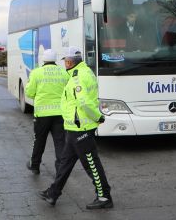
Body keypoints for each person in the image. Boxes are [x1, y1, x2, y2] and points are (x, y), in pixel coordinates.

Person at [38, 47, 113, 209]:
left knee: (91, 164)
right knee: (65, 162)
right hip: (74, 128)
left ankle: (104, 196)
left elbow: (84, 102)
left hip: (82, 128)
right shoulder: (80, 73)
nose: (66, 64)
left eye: (68, 61)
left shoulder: (78, 78)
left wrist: (97, 117)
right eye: (65, 61)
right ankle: (53, 193)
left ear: (74, 62)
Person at [25, 49, 69, 175]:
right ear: (55, 59)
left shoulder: (36, 73)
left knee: (39, 140)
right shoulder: (64, 73)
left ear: (43, 59)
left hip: (42, 115)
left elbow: (29, 92)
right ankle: (61, 169)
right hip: (60, 114)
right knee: (60, 142)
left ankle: (35, 165)